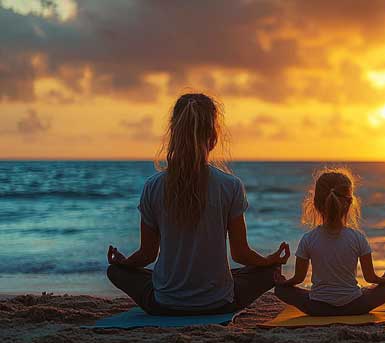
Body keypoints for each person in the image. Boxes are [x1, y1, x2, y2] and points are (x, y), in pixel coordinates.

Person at [106, 93, 289, 315]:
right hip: (219, 303)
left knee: (115, 272)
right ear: (213, 138)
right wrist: (269, 260)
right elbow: (240, 254)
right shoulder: (230, 185)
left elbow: (147, 255)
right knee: (270, 271)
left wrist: (124, 264)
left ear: (174, 134)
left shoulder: (153, 186)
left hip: (164, 304)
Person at [273, 169, 385, 316]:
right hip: (354, 306)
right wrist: (384, 279)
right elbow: (370, 278)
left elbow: (298, 279)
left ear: (316, 203)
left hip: (318, 308)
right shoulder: (358, 238)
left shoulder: (308, 239)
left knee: (280, 291)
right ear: (349, 203)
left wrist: (283, 283)